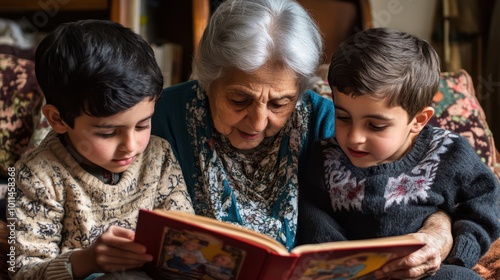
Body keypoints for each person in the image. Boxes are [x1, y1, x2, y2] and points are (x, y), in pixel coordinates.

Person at [151, 0, 456, 278]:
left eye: (279, 103)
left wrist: (438, 229)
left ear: (300, 90)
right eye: (239, 100)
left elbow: (410, 183)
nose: (258, 122)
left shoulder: (328, 121)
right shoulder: (160, 115)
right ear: (208, 79)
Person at [297, 27, 500, 279]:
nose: (354, 137)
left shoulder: (449, 152)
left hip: (426, 272)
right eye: (343, 117)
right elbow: (314, 216)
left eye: (375, 125)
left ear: (418, 120)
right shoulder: (324, 158)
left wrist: (459, 253)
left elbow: (486, 205)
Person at [10, 20, 194, 279]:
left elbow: (183, 231)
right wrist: (87, 261)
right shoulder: (35, 176)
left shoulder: (158, 155)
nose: (131, 146)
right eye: (107, 133)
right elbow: (22, 274)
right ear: (58, 119)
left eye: (142, 125)